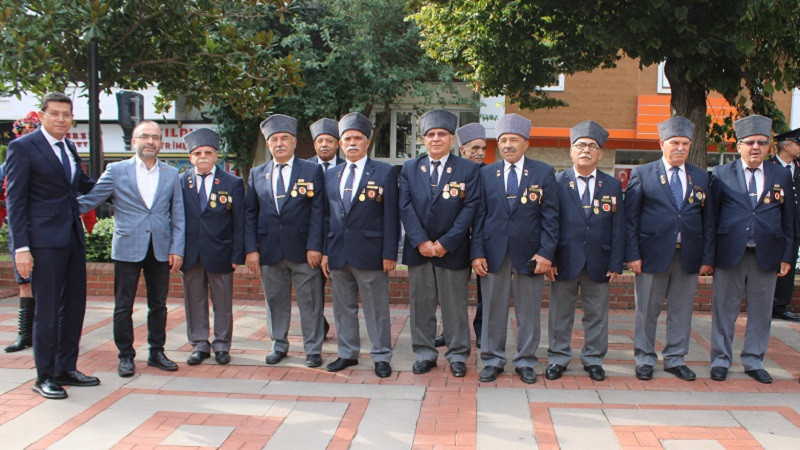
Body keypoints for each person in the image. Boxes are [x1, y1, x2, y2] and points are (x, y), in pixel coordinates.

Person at [5, 93, 98, 399]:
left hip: (71, 236)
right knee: (46, 311)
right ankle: (44, 376)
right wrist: (21, 248)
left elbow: (82, 184)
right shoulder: (23, 147)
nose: (61, 119)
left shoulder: (69, 147)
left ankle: (65, 368)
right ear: (42, 116)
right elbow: (16, 202)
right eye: (55, 113)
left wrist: (120, 178)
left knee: (73, 306)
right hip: (42, 242)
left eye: (66, 115)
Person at [79, 120, 185, 378]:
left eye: (156, 137)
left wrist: (177, 248)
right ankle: (125, 356)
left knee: (158, 304)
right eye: (145, 136)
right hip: (128, 246)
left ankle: (156, 352)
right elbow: (92, 199)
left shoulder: (171, 174)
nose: (151, 141)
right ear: (134, 141)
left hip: (160, 248)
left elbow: (178, 216)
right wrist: (52, 205)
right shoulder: (116, 170)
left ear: (161, 143)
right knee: (123, 305)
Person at [624, 116, 714, 382]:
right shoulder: (643, 173)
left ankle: (675, 359)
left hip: (687, 255)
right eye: (675, 142)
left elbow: (708, 220)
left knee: (682, 310)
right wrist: (632, 255)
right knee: (646, 311)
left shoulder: (700, 176)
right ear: (662, 143)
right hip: (650, 255)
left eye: (685, 143)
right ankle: (644, 358)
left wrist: (707, 256)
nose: (680, 148)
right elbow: (630, 218)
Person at [471, 113, 559, 384]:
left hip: (531, 254)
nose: (508, 145)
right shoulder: (486, 173)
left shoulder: (543, 172)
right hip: (493, 252)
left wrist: (546, 253)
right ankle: (492, 359)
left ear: (526, 144)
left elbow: (551, 217)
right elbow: (478, 217)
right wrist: (477, 253)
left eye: (514, 140)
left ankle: (525, 361)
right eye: (503, 140)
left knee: (529, 310)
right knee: (493, 309)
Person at [709, 114, 794, 384]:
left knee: (760, 311)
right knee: (724, 310)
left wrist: (787, 255)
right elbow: (711, 218)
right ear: (739, 146)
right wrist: (708, 257)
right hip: (729, 253)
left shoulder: (781, 174)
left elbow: (790, 218)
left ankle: (754, 360)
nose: (755, 147)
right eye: (749, 142)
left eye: (761, 142)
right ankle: (721, 360)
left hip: (766, 254)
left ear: (769, 146)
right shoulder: (722, 174)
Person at [399, 109, 479, 377]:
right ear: (423, 139)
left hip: (452, 250)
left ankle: (457, 355)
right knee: (421, 305)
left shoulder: (468, 169)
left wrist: (446, 242)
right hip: (419, 251)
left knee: (455, 306)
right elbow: (405, 207)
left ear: (452, 138)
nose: (435, 139)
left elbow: (470, 208)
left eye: (441, 134)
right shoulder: (410, 168)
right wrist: (420, 240)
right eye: (430, 134)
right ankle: (424, 353)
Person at [244, 115, 327, 367]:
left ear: (293, 142)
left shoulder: (312, 170)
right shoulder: (257, 173)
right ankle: (278, 344)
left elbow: (319, 211)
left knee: (310, 303)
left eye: (284, 139)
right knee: (275, 302)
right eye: (274, 140)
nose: (279, 143)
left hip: (303, 251)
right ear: (268, 145)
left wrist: (315, 246)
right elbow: (250, 213)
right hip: (269, 250)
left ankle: (313, 348)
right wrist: (251, 250)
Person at [321, 112, 399, 378]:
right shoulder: (331, 175)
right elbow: (325, 216)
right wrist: (324, 251)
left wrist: (390, 252)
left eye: (357, 138)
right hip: (338, 253)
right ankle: (347, 353)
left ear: (367, 142)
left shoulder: (385, 172)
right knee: (343, 308)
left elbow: (391, 216)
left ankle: (381, 356)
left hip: (371, 253)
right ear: (341, 144)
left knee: (377, 308)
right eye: (347, 139)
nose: (352, 143)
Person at [546, 120, 624, 382]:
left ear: (600, 153)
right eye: (580, 145)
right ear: (571, 150)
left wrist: (616, 262)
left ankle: (593, 359)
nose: (586, 150)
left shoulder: (612, 186)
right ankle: (558, 357)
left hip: (599, 261)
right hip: (564, 260)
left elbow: (618, 226)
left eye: (592, 146)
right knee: (560, 314)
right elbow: (550, 223)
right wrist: (551, 258)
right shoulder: (556, 182)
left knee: (597, 315)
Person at [180, 128, 244, 366]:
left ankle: (222, 344)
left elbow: (239, 223)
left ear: (216, 155)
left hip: (221, 252)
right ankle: (199, 343)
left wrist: (238, 253)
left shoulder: (233, 182)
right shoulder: (180, 182)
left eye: (208, 152)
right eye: (197, 153)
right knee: (194, 300)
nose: (203, 157)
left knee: (223, 302)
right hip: (191, 253)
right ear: (191, 157)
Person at [3, 111, 40, 353]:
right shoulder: (9, 163)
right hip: (20, 229)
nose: (28, 137)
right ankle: (24, 333)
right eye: (24, 133)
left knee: (49, 285)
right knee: (24, 282)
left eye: (32, 132)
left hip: (44, 228)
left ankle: (45, 332)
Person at [307, 118, 344, 338]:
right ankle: (318, 327)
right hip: (311, 238)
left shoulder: (345, 167)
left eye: (329, 140)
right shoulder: (302, 168)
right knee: (312, 290)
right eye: (320, 141)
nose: (324, 145)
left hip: (338, 238)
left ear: (337, 144)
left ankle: (346, 331)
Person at [455, 122, 487, 349]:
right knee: (452, 292)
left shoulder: (490, 173)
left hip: (483, 241)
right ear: (462, 150)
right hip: (455, 241)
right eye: (474, 148)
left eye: (483, 149)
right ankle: (450, 332)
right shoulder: (451, 171)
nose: (480, 153)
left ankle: (482, 332)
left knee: (484, 292)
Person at [769, 128, 800, 322]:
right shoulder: (769, 167)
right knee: (770, 264)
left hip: (794, 226)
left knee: (788, 263)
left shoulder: (797, 168)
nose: (799, 148)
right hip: (774, 225)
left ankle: (781, 305)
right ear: (786, 145)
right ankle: (768, 302)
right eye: (797, 144)